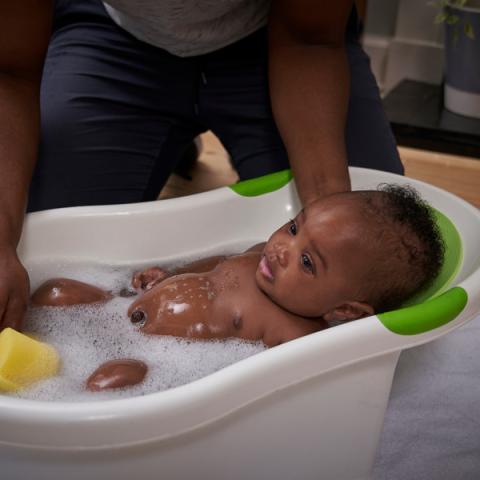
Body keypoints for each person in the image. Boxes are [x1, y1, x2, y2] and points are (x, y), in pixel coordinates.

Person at [0, 0, 404, 332]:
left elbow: (309, 41)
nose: (284, 247)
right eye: (294, 234)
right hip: (113, 36)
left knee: (377, 252)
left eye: (303, 254)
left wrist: (325, 223)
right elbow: (10, 70)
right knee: (43, 241)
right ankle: (159, 132)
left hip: (282, 38)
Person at [31, 185, 444, 347]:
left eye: (306, 261)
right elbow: (216, 263)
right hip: (119, 305)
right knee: (52, 291)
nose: (282, 246)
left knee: (115, 380)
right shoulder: (262, 250)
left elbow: (251, 388)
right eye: (295, 225)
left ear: (346, 311)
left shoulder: (297, 333)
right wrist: (168, 275)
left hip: (148, 354)